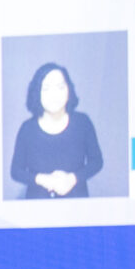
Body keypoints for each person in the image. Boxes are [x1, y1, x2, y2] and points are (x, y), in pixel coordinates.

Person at [10, 61, 104, 198]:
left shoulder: (83, 122)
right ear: (37, 93)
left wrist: (72, 179)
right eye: (46, 88)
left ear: (69, 90)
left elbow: (97, 162)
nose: (54, 95)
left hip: (77, 205)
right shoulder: (27, 129)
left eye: (60, 87)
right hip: (37, 206)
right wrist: (44, 180)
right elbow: (16, 171)